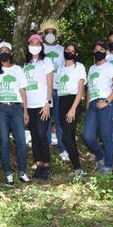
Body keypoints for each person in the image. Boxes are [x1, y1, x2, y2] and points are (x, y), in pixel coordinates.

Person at [0, 41, 29, 185]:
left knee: (21, 140)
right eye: (1, 51)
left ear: (11, 52)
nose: (4, 53)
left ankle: (22, 171)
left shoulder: (18, 69)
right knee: (4, 141)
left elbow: (22, 90)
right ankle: (7, 172)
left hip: (17, 108)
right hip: (1, 109)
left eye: (7, 50)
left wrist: (25, 110)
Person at [82, 40, 113, 175]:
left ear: (106, 52)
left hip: (106, 104)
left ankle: (108, 166)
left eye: (101, 49)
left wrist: (106, 101)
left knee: (105, 135)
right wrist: (88, 104)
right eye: (96, 49)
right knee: (87, 136)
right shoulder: (92, 68)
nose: (98, 51)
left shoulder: (110, 67)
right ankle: (100, 157)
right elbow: (88, 88)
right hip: (92, 105)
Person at [23, 34, 54, 180]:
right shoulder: (26, 64)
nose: (34, 46)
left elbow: (50, 83)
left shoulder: (46, 61)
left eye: (37, 43)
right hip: (30, 105)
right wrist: (24, 109)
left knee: (42, 134)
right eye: (32, 43)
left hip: (43, 104)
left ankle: (47, 165)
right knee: (34, 136)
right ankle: (39, 165)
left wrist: (47, 103)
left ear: (41, 46)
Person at [55, 42, 86, 177]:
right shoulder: (60, 69)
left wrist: (73, 108)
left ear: (76, 54)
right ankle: (76, 169)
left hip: (74, 101)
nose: (69, 52)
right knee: (70, 136)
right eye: (67, 50)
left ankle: (78, 169)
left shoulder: (79, 67)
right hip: (61, 101)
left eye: (72, 51)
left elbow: (80, 90)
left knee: (65, 136)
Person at [40, 20, 68, 162]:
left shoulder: (63, 50)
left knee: (59, 120)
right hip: (43, 91)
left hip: (59, 89)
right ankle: (46, 148)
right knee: (45, 120)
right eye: (47, 32)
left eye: (53, 31)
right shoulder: (39, 49)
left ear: (57, 34)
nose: (50, 34)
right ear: (42, 34)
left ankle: (62, 148)